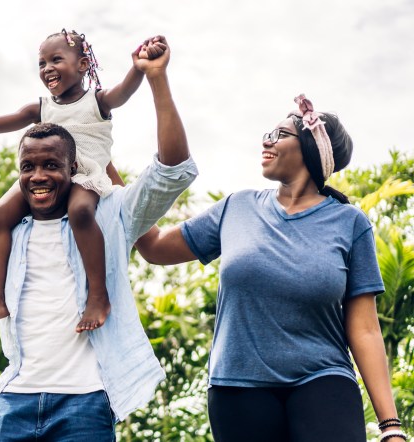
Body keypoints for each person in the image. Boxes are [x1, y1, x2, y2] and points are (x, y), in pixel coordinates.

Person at [0, 37, 195, 440]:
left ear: (71, 168)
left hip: (86, 403)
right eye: (28, 167)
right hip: (13, 403)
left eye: (52, 166)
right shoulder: (4, 235)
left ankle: (98, 295)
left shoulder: (111, 214)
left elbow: (172, 172)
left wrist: (155, 77)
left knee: (81, 211)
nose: (38, 177)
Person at [134, 95, 407, 441]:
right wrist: (109, 176)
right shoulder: (238, 207)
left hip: (323, 380)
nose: (266, 140)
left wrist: (390, 426)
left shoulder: (350, 223)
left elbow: (365, 329)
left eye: (280, 134)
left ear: (311, 148)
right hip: (238, 388)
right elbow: (154, 247)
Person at [0, 31, 167, 333]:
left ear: (83, 64)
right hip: (44, 174)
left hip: (83, 174)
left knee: (80, 212)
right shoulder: (41, 108)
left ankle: (98, 297)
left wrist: (139, 67)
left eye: (56, 59)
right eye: (42, 62)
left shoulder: (96, 101)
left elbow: (124, 91)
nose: (47, 68)